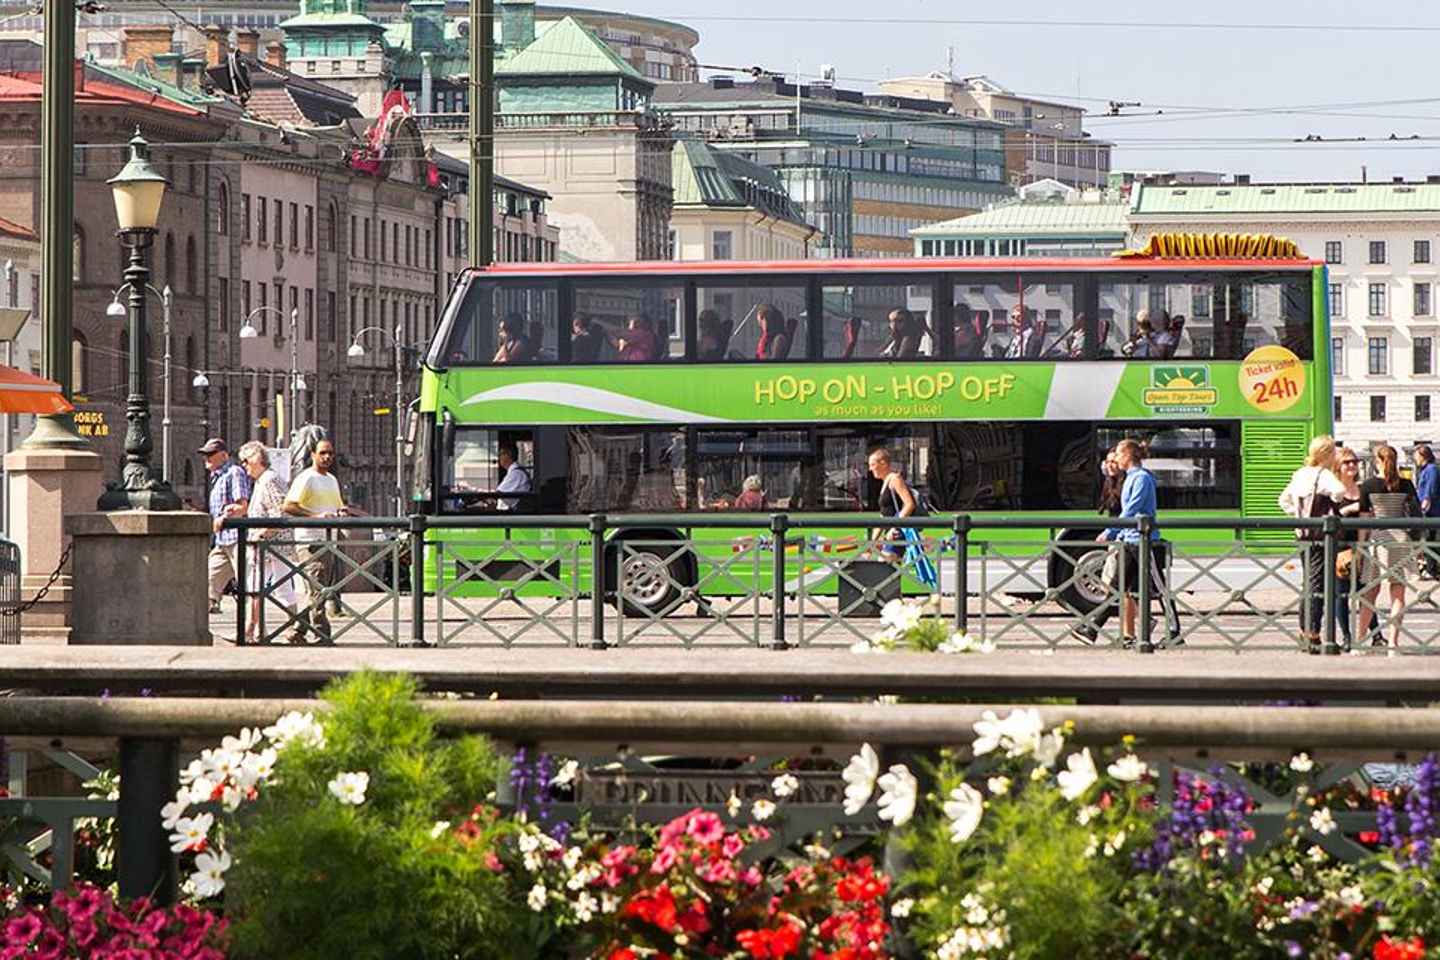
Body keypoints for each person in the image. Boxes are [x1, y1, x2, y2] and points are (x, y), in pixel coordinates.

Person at [1094, 439, 1181, 647]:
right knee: (1118, 587)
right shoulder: (1131, 478)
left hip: (1143, 542)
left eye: (1118, 455)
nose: (1115, 459)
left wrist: (1111, 531)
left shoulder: (1141, 478)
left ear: (1128, 456)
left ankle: (1174, 631)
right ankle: (1091, 628)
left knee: (1159, 588)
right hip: (1130, 539)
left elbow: (1132, 510)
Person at [1279, 435, 1349, 653]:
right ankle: (1313, 635)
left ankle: (1304, 632)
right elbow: (1339, 492)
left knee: (1308, 581)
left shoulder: (1300, 473)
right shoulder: (1324, 474)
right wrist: (1333, 502)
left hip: (1301, 534)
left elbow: (1283, 500)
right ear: (1327, 454)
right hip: (1320, 535)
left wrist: (1299, 514)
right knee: (1317, 583)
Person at [282, 438, 349, 645]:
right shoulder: (306, 478)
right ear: (313, 455)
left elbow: (335, 506)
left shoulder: (331, 479)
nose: (327, 457)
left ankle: (297, 630)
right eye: (322, 453)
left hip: (329, 541)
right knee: (317, 589)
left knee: (316, 589)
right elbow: (288, 506)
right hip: (310, 541)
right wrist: (315, 518)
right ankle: (322, 634)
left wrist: (342, 511)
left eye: (330, 453)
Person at [1355, 444, 1420, 653]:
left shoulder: (1367, 485)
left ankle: (1359, 642)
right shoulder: (1406, 484)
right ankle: (1393, 643)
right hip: (1401, 539)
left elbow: (1363, 521)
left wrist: (1361, 547)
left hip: (1377, 539)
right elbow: (1416, 514)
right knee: (1398, 594)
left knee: (1369, 594)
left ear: (1376, 462)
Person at [236, 440, 296, 645]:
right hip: (269, 547)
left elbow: (280, 511)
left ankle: (257, 630)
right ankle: (259, 630)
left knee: (266, 588)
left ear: (256, 460)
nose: (243, 466)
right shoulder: (262, 480)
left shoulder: (269, 479)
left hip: (271, 546)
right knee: (261, 588)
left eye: (245, 461)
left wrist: (261, 533)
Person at [200, 438, 251, 615]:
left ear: (223, 455)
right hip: (222, 541)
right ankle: (204, 616)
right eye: (205, 454)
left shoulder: (234, 472)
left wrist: (225, 517)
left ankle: (253, 630)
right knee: (207, 579)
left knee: (247, 585)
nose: (206, 458)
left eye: (210, 454)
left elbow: (242, 506)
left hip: (237, 538)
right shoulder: (217, 478)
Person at [867, 447, 925, 561]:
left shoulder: (895, 479)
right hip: (890, 534)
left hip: (897, 533)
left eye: (872, 464)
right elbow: (884, 516)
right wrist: (871, 542)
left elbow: (909, 504)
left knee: (886, 566)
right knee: (885, 568)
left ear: (883, 463)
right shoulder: (885, 483)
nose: (870, 469)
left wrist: (894, 527)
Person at [1334, 448, 1365, 650]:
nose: (1352, 465)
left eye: (1354, 461)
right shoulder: (1334, 491)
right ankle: (1346, 637)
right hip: (1340, 548)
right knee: (1341, 595)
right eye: (1347, 462)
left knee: (1365, 594)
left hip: (1361, 546)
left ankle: (1375, 634)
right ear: (1338, 466)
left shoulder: (1363, 489)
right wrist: (1347, 510)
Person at [1415, 444, 1440, 579]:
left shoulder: (1431, 469)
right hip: (1428, 510)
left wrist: (1425, 503)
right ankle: (1431, 569)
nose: (1415, 459)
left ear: (1423, 455)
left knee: (1431, 540)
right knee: (1428, 540)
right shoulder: (1425, 470)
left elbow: (1430, 489)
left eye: (1416, 456)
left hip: (1432, 512)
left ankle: (1432, 570)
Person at [495, 445, 532, 512]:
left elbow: (499, 493)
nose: (499, 458)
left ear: (507, 455)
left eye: (500, 454)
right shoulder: (514, 472)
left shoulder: (516, 473)